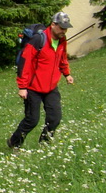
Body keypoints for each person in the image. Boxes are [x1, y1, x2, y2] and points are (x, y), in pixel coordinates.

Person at [7, 12, 75, 151]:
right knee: (32, 120)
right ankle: (14, 142)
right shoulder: (39, 40)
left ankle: (44, 144)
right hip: (33, 88)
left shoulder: (62, 40)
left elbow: (62, 58)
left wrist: (66, 74)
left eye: (66, 28)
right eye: (61, 27)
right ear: (53, 25)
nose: (64, 31)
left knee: (55, 118)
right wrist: (22, 87)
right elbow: (24, 63)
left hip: (50, 87)